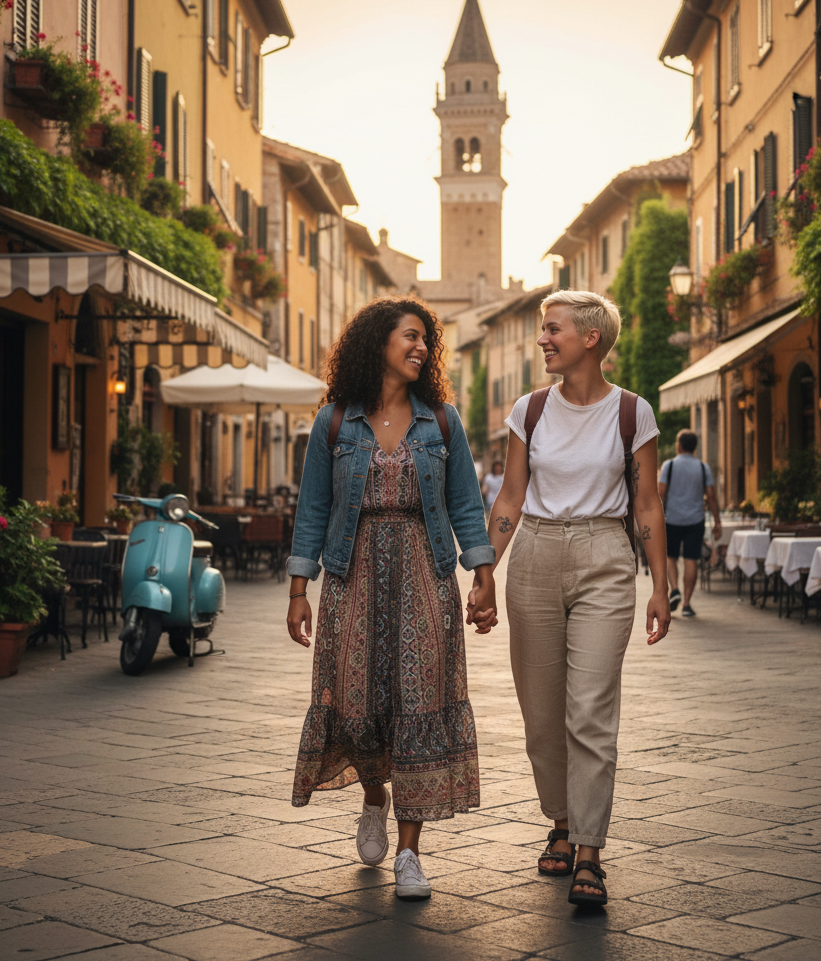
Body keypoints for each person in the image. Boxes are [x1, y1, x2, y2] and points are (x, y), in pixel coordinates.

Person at [286, 296, 497, 903]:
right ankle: (373, 796)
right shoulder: (333, 422)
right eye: (411, 336)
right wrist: (300, 589)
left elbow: (464, 505)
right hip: (351, 578)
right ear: (378, 341)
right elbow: (314, 510)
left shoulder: (443, 421)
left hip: (424, 576)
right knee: (357, 704)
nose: (421, 348)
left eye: (427, 340)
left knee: (420, 704)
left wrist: (480, 572)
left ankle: (410, 852)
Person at [470, 289, 670, 907]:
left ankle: (588, 849)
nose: (542, 340)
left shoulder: (632, 414)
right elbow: (508, 500)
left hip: (605, 558)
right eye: (541, 329)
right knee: (540, 713)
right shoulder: (529, 411)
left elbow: (645, 505)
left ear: (590, 338)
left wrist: (661, 585)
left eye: (552, 329)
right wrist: (483, 572)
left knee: (590, 708)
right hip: (533, 555)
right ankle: (559, 820)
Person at [658, 429, 721, 618]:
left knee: (670, 556)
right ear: (695, 448)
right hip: (696, 520)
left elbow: (660, 493)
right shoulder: (703, 468)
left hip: (672, 519)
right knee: (691, 559)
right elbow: (711, 497)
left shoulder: (668, 465)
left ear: (679, 445)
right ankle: (686, 604)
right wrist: (717, 522)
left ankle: (675, 589)